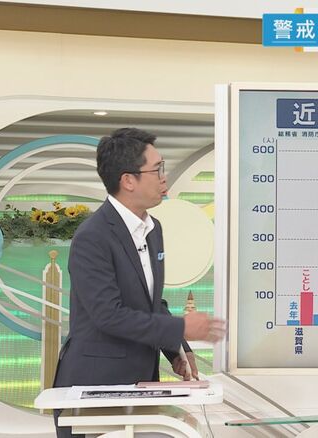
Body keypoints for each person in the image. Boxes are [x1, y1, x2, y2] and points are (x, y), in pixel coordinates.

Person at [52, 128, 225, 438]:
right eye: (157, 169)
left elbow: (150, 303)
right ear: (128, 180)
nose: (164, 178)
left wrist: (177, 350)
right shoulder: (92, 237)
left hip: (139, 387)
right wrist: (181, 328)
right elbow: (108, 315)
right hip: (95, 389)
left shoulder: (153, 228)